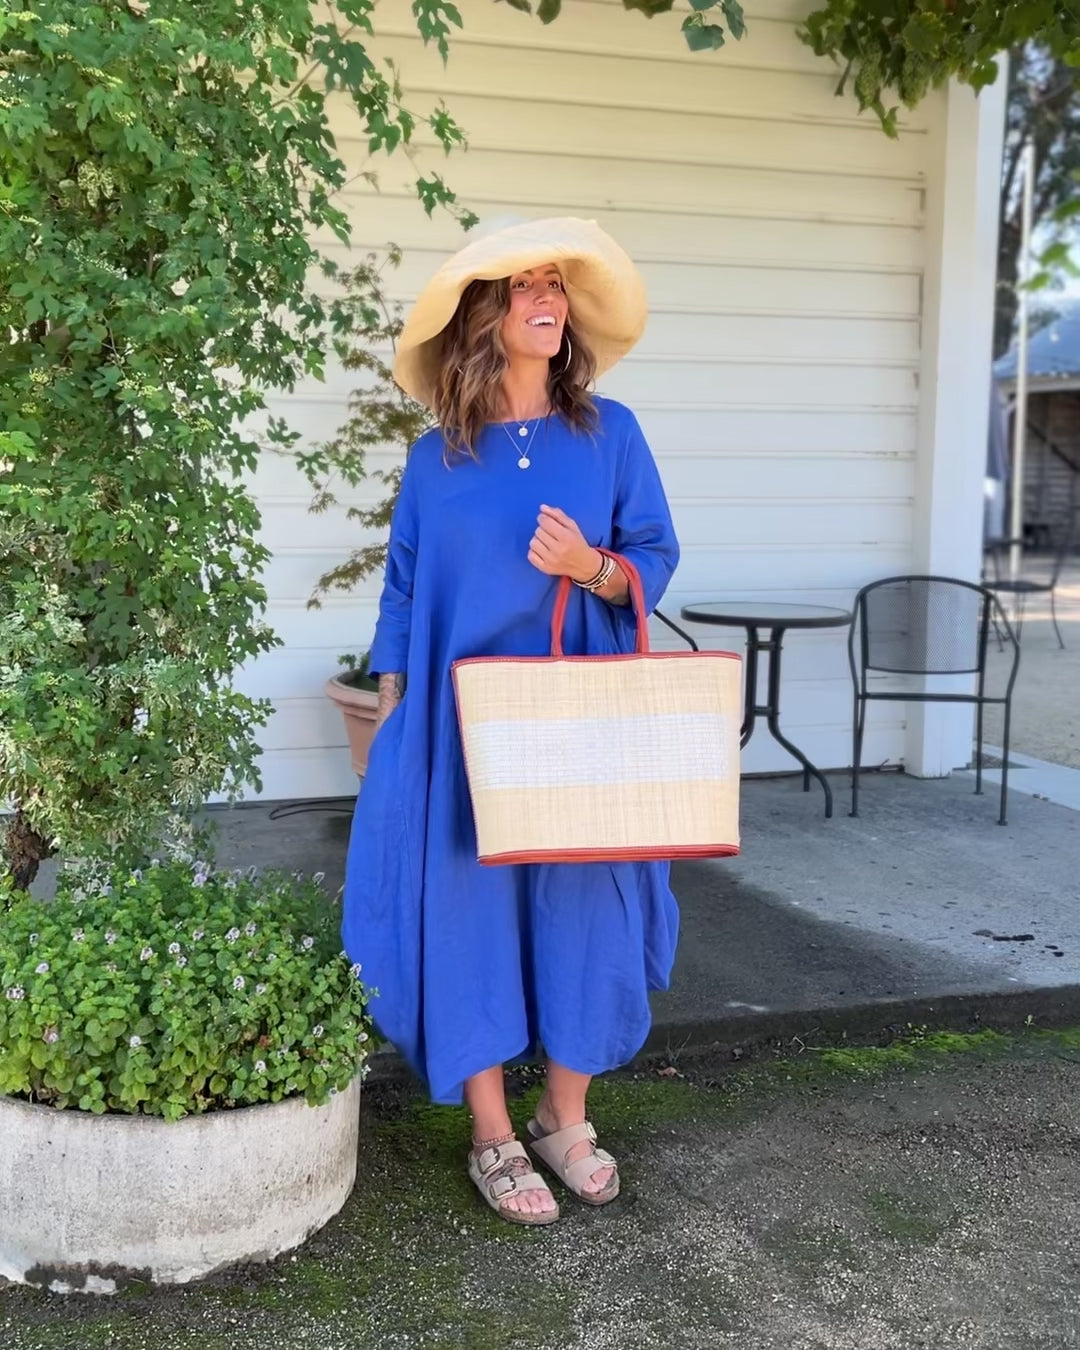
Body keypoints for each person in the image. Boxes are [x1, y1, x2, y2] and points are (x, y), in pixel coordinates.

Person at [342, 216, 681, 1226]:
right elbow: (404, 588)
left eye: (556, 285)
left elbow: (653, 554)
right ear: (483, 316)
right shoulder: (433, 460)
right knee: (468, 915)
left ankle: (562, 1117)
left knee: (588, 907)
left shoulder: (611, 433)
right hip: (461, 728)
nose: (546, 300)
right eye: (523, 286)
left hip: (581, 720)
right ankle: (492, 1133)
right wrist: (392, 710)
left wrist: (592, 567)